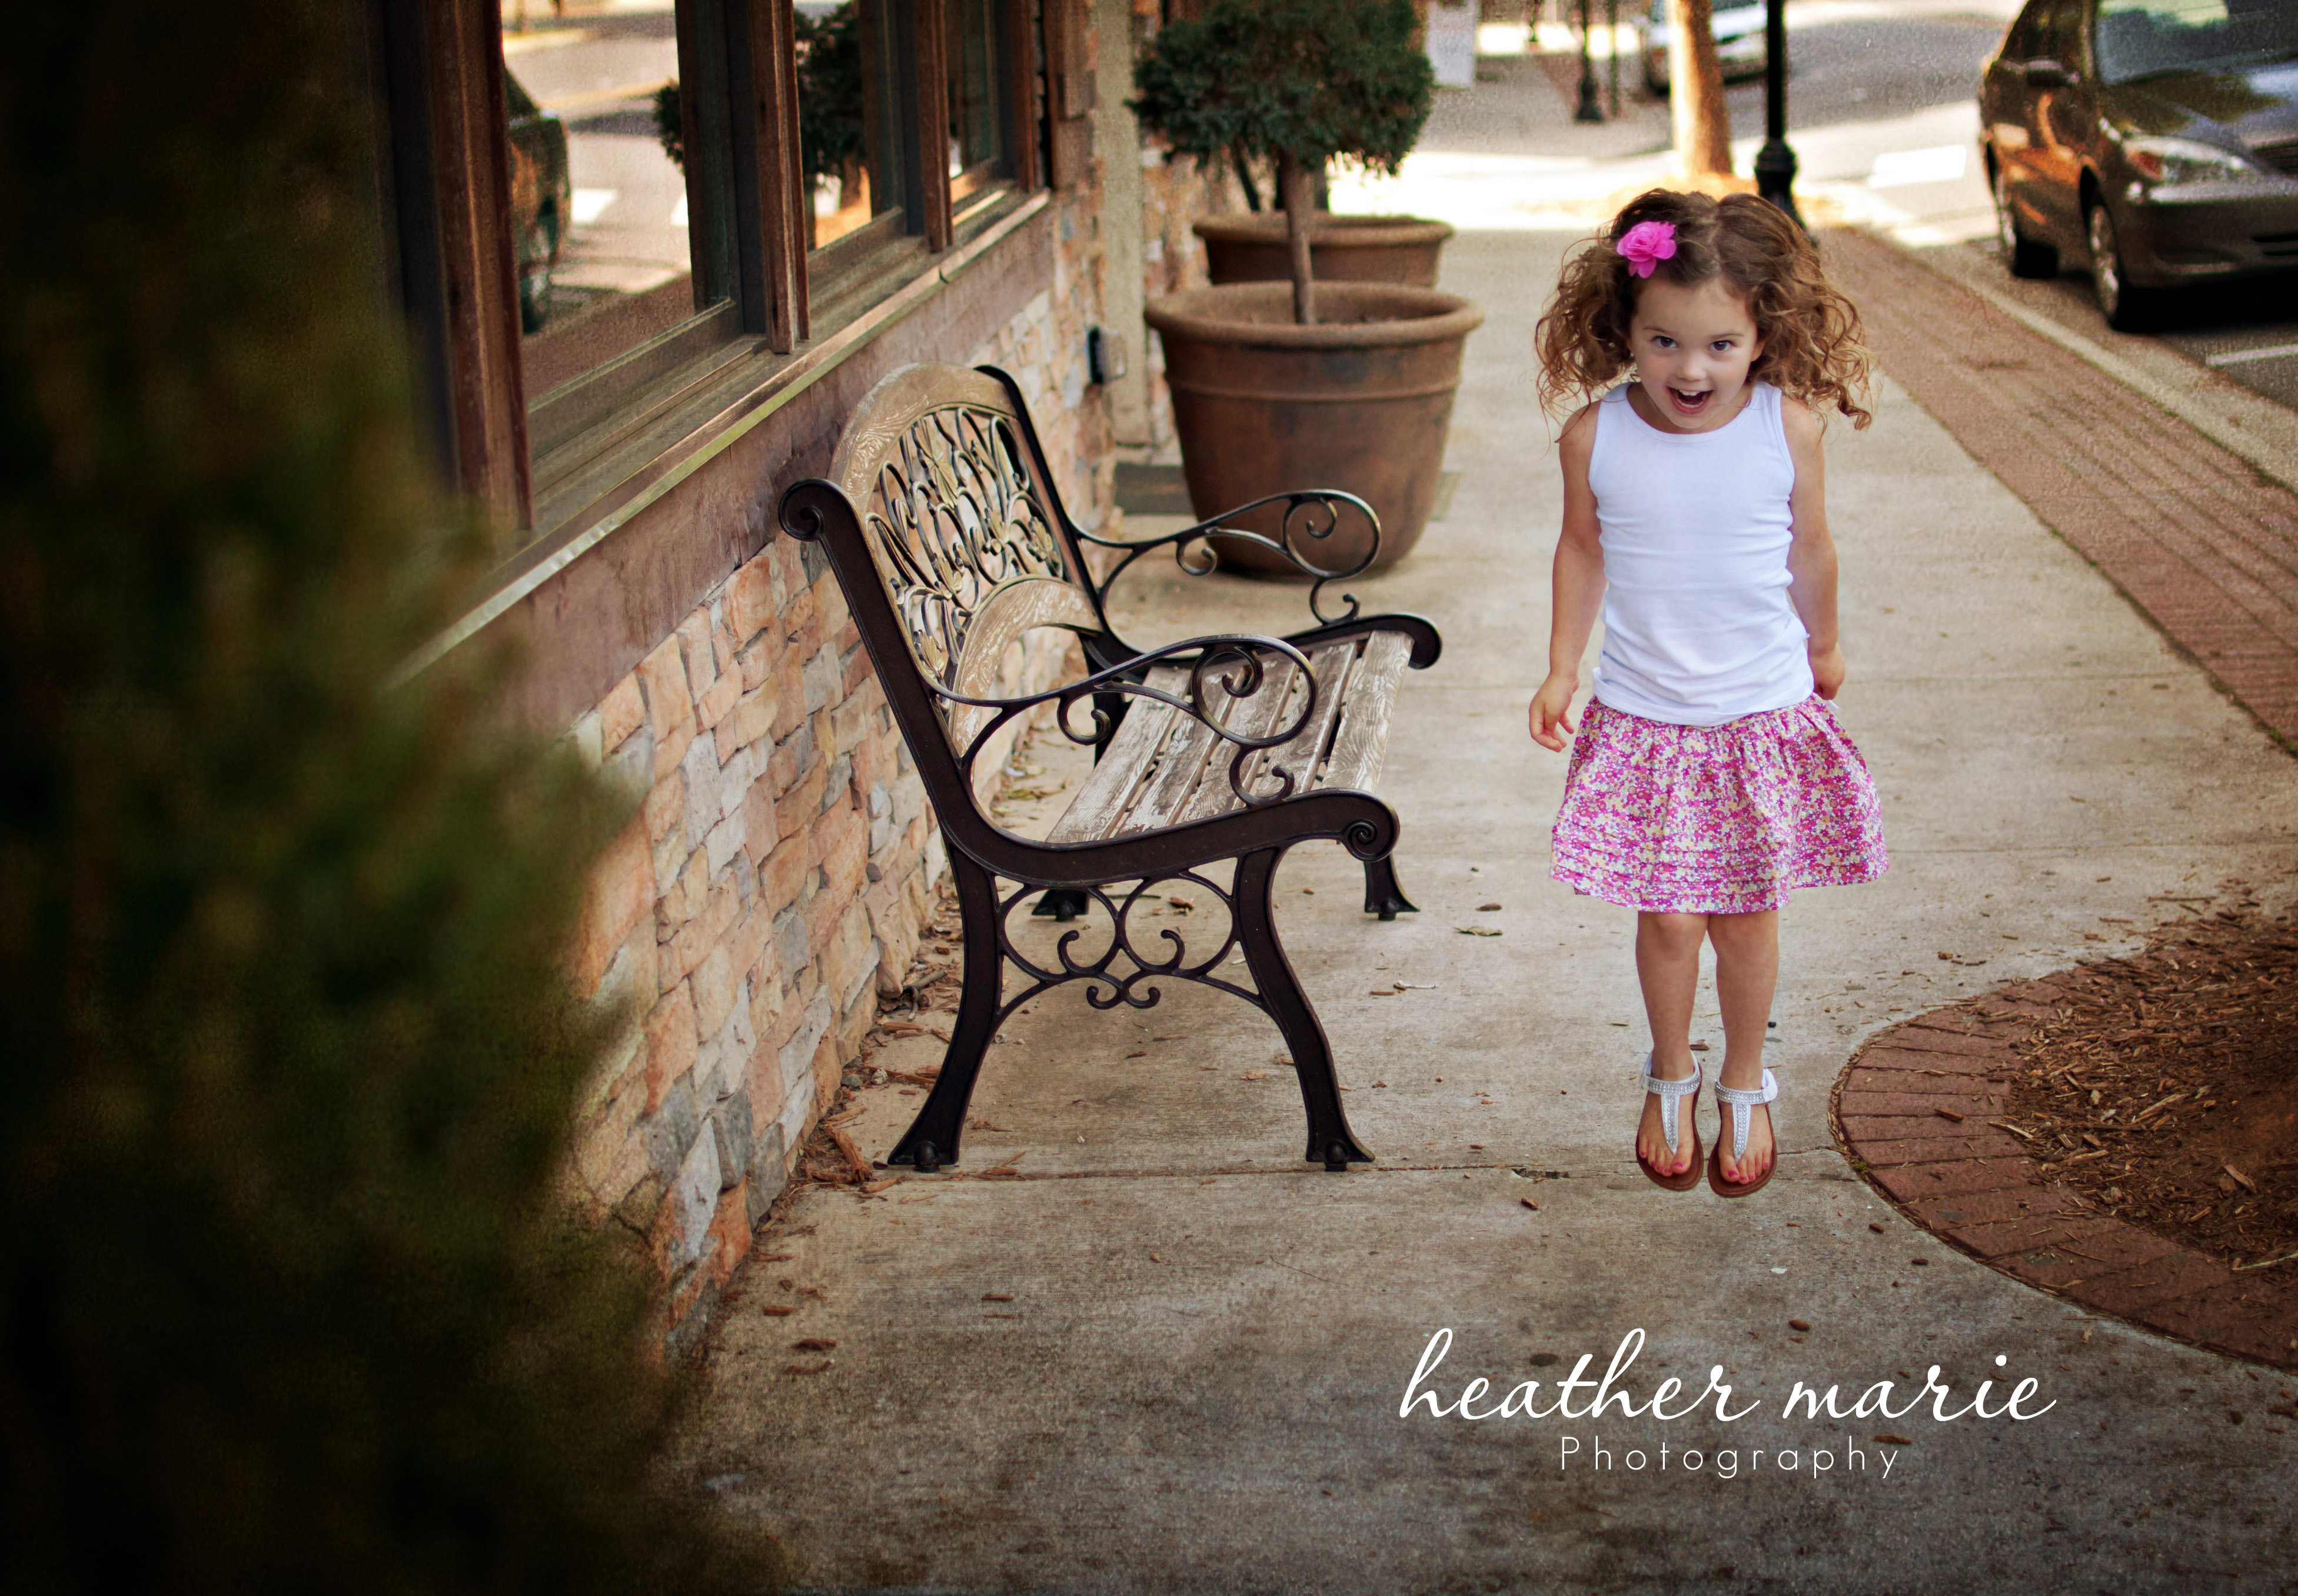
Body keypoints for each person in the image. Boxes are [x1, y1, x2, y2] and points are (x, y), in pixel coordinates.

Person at [1528, 189, 1887, 1198]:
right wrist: (1561, 665)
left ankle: (1743, 1078)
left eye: (1720, 345)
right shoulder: (1595, 437)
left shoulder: (1786, 427)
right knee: (1671, 920)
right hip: (1647, 720)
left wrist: (1824, 643)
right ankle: (1669, 1069)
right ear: (1624, 331)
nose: (1691, 370)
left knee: (1745, 917)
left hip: (1757, 715)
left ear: (1764, 335)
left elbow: (1810, 549)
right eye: (1665, 343)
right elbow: (1581, 550)